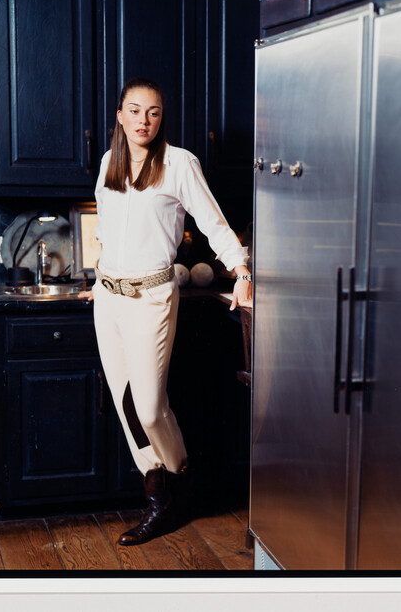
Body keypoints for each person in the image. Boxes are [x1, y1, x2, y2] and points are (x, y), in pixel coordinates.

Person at [77, 77, 252, 546]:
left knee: (150, 407)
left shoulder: (178, 164)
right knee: (125, 402)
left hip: (152, 297)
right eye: (134, 111)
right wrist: (99, 278)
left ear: (162, 119)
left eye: (153, 112)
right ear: (120, 115)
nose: (143, 121)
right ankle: (158, 499)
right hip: (109, 297)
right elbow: (107, 231)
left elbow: (212, 220)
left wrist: (241, 270)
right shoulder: (109, 162)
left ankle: (179, 477)